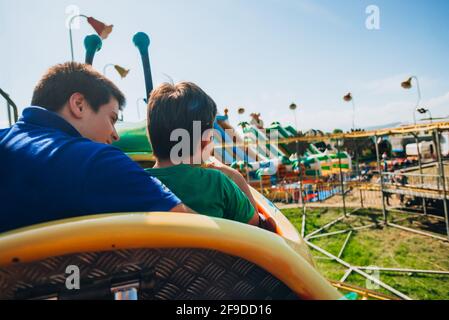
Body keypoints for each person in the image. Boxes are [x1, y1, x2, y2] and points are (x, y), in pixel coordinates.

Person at [0, 62, 190, 233]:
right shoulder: (97, 161)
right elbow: (192, 229)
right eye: (112, 118)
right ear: (79, 105)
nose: (115, 134)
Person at [145, 82, 263, 227]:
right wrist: (236, 177)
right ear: (205, 141)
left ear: (150, 136)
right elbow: (255, 227)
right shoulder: (217, 183)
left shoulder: (135, 183)